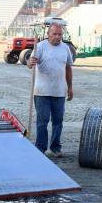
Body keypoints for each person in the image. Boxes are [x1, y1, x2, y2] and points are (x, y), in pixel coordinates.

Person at [27, 23, 73, 158]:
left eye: (60, 34)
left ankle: (55, 148)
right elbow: (30, 64)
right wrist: (31, 62)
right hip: (42, 92)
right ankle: (40, 148)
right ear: (48, 34)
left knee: (58, 121)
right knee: (43, 121)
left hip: (59, 91)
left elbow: (68, 68)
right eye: (54, 34)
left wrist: (70, 87)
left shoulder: (65, 48)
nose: (57, 37)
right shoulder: (40, 47)